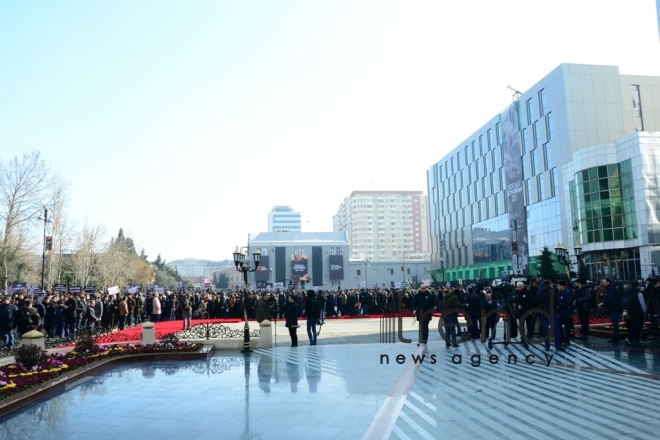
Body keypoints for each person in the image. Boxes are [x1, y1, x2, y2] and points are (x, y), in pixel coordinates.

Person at [598, 278, 621, 343]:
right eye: (602, 282)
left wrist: (602, 303)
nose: (603, 283)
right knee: (614, 322)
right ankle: (616, 336)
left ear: (608, 282)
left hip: (613, 308)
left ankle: (615, 336)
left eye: (604, 282)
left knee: (615, 322)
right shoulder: (608, 288)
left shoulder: (611, 288)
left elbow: (609, 297)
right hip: (611, 307)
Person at [624, 281, 646, 346]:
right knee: (637, 325)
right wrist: (645, 311)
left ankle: (635, 338)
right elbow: (642, 303)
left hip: (630, 311)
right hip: (638, 311)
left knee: (632, 325)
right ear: (637, 286)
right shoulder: (639, 293)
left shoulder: (628, 292)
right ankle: (630, 338)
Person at [556, 280, 573, 348]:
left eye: (558, 285)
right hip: (560, 312)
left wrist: (559, 305)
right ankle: (563, 339)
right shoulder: (560, 293)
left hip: (566, 312)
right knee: (559, 326)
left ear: (562, 285)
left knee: (567, 327)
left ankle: (567, 340)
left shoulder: (567, 292)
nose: (557, 287)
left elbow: (568, 302)